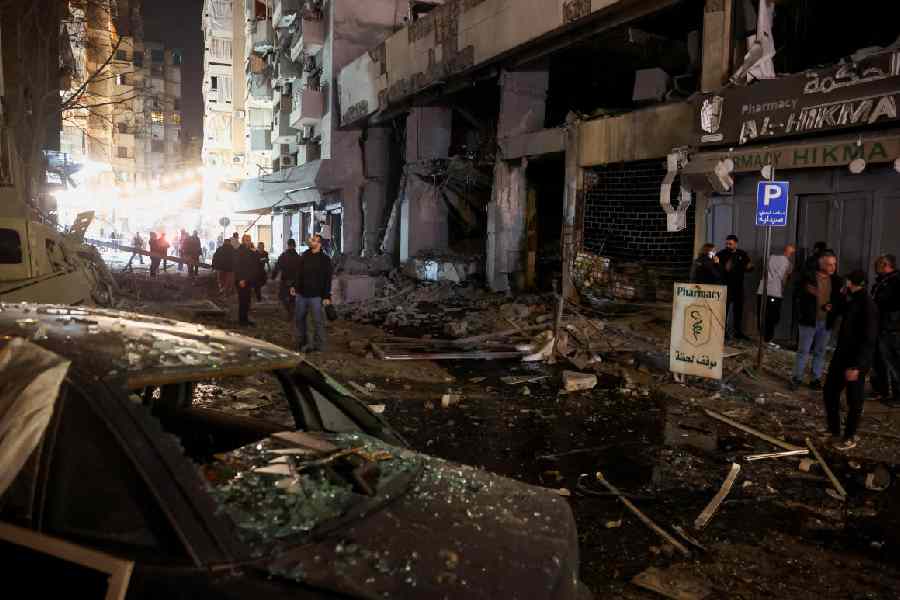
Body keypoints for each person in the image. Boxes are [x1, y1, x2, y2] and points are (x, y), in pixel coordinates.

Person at [822, 270, 879, 451]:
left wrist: (857, 366)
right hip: (842, 355)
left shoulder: (867, 305)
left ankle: (850, 436)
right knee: (830, 392)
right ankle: (834, 430)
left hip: (855, 359)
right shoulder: (851, 298)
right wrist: (836, 300)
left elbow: (869, 339)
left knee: (854, 400)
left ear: (850, 282)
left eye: (847, 281)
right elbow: (839, 309)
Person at [791, 251, 842, 390]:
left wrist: (833, 306)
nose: (833, 267)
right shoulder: (808, 278)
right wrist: (805, 291)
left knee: (820, 351)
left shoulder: (837, 281)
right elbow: (795, 293)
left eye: (834, 264)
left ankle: (815, 379)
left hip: (826, 322)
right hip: (809, 321)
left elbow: (839, 300)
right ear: (821, 264)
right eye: (829, 264)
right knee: (803, 351)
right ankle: (797, 378)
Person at [291, 234, 333, 352]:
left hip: (316, 296)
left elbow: (327, 279)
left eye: (313, 240)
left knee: (318, 321)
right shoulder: (304, 255)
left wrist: (326, 296)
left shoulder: (325, 260)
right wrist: (294, 286)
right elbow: (298, 273)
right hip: (301, 294)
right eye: (311, 239)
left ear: (319, 243)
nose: (311, 241)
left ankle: (320, 345)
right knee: (299, 319)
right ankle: (302, 342)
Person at [872, 254, 900, 407]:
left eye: (878, 264)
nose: (875, 267)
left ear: (886, 265)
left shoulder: (896, 281)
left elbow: (890, 303)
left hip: (891, 328)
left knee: (894, 362)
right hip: (880, 325)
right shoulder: (882, 280)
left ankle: (898, 395)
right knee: (879, 360)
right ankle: (881, 389)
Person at [716, 235, 754, 341]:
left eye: (730, 244)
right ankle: (722, 332)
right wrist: (722, 267)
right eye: (727, 243)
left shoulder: (742, 254)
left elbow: (749, 267)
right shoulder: (721, 254)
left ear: (736, 244)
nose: (728, 245)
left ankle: (737, 331)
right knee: (724, 311)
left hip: (738, 287)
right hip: (725, 286)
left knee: (738, 310)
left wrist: (750, 267)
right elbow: (716, 269)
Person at [756, 244, 795, 345]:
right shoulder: (788, 263)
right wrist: (782, 289)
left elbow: (762, 270)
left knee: (762, 314)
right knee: (772, 317)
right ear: (791, 253)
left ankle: (761, 338)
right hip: (775, 293)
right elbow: (784, 278)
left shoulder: (770, 257)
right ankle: (768, 340)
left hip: (762, 291)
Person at [272, 238, 301, 319]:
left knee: (282, 296)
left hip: (285, 280)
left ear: (288, 245)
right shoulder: (298, 257)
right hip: (294, 281)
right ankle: (292, 312)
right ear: (295, 246)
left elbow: (277, 266)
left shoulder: (283, 256)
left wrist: (273, 276)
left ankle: (289, 311)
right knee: (292, 297)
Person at [234, 234, 258, 326]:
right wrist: (240, 279)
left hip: (248, 279)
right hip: (242, 280)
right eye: (247, 240)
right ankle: (242, 320)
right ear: (243, 241)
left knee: (247, 300)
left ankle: (245, 319)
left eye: (249, 240)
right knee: (243, 300)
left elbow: (255, 261)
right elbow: (237, 266)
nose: (248, 242)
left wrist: (255, 251)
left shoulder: (249, 251)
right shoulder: (240, 251)